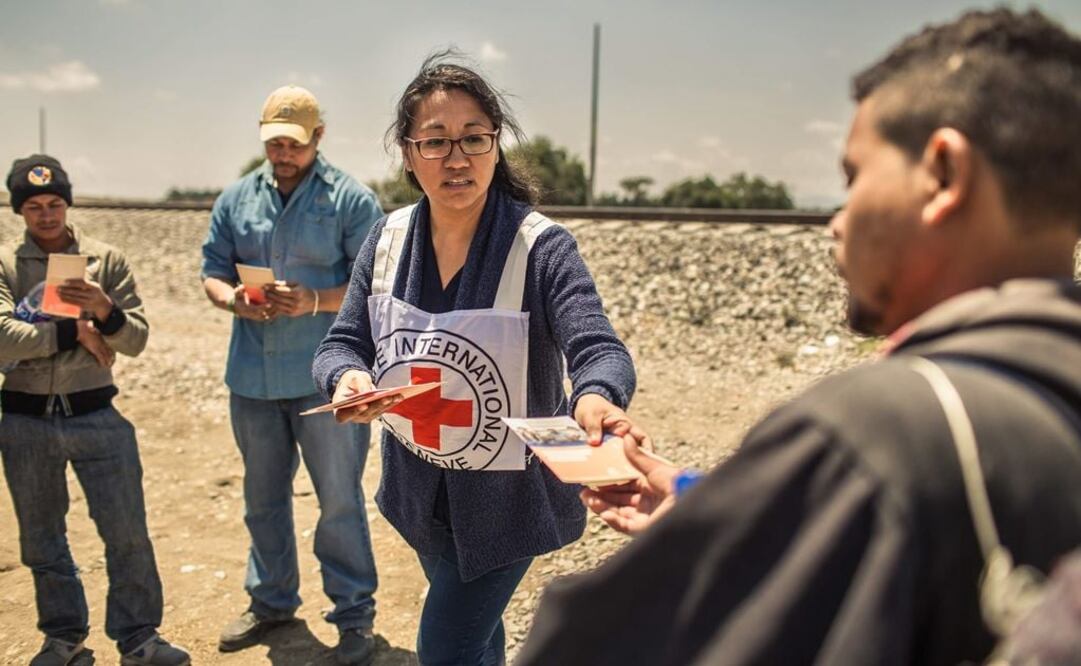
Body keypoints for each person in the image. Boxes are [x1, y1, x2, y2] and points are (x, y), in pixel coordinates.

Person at [516, 8, 1081, 666]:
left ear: (942, 174)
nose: (837, 222)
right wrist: (712, 506)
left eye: (853, 177)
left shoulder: (872, 430)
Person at [311, 53, 637, 665]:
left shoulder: (542, 248)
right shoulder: (384, 242)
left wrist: (596, 395)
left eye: (474, 139)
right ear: (408, 155)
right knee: (478, 642)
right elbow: (342, 343)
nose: (456, 158)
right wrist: (348, 377)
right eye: (435, 142)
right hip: (420, 493)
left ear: (496, 146)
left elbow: (597, 347)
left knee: (445, 649)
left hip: (509, 505)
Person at [200, 85, 384, 664]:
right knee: (262, 498)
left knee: (338, 501)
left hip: (325, 381)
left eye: (292, 143)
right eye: (273, 142)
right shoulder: (235, 198)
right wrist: (234, 300)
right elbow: (212, 270)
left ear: (318, 138)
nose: (281, 152)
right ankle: (272, 603)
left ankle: (354, 617)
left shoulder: (352, 201)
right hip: (251, 381)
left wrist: (314, 300)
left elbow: (376, 283)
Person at [0, 155, 190, 665]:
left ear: (68, 203)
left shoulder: (104, 261)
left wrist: (103, 312)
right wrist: (72, 331)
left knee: (127, 533)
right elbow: (0, 339)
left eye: (55, 203)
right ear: (20, 210)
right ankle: (64, 640)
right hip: (24, 420)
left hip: (97, 416)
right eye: (35, 206)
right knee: (43, 542)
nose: (47, 215)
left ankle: (138, 639)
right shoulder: (4, 265)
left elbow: (136, 340)